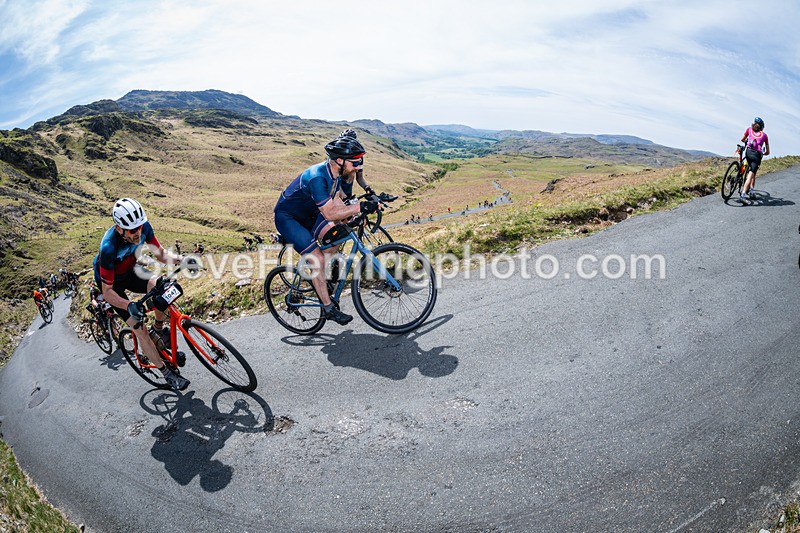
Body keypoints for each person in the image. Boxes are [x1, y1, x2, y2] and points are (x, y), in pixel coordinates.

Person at [273, 132, 380, 325]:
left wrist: (355, 214)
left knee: (338, 236)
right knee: (318, 257)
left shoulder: (336, 175)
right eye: (354, 162)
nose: (357, 167)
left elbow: (338, 203)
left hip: (311, 214)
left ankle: (318, 275)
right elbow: (330, 214)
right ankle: (328, 307)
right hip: (289, 218)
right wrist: (359, 207)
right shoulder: (317, 177)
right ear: (339, 160)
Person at [93, 198, 189, 390]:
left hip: (131, 271)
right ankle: (166, 373)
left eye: (139, 227)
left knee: (159, 287)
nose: (138, 232)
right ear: (119, 229)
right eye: (132, 230)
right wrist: (128, 305)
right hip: (113, 285)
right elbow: (108, 292)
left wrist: (182, 259)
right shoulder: (108, 248)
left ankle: (159, 328)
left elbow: (160, 254)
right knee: (139, 328)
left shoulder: (143, 227)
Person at [739, 117, 770, 200]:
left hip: (748, 152)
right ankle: (744, 194)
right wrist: (763, 153)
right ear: (761, 127)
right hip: (756, 156)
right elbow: (768, 151)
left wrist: (747, 142)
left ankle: (752, 190)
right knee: (751, 174)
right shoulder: (765, 136)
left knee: (749, 168)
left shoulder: (749, 129)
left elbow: (742, 139)